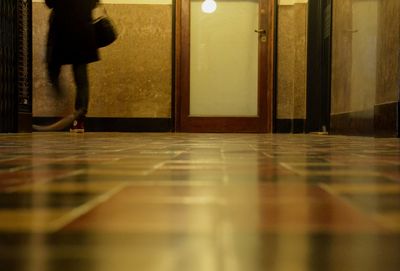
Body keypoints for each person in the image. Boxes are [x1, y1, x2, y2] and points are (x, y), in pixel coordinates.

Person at [45, 0, 99, 133]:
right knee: (81, 78)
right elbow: (94, 3)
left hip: (62, 29)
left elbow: (50, 3)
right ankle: (79, 119)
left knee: (53, 67)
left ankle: (64, 107)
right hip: (82, 30)